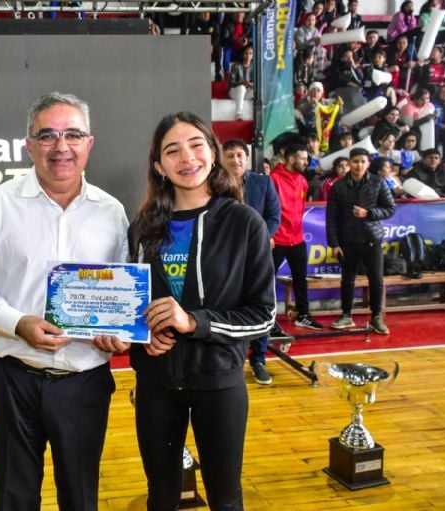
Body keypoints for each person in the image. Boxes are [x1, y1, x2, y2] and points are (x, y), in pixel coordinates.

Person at [0, 92, 129, 511]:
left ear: (89, 143)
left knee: (81, 500)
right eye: (47, 135)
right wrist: (17, 322)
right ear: (29, 145)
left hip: (85, 380)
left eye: (73, 134)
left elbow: (122, 294)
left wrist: (117, 333)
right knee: (14, 499)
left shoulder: (112, 212)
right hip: (14, 377)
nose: (61, 146)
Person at [129, 112, 275, 510]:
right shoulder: (143, 227)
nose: (187, 157)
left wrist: (194, 321)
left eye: (196, 145)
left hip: (219, 382)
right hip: (156, 383)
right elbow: (134, 302)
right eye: (172, 151)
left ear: (212, 152)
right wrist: (142, 336)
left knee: (225, 500)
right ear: (159, 166)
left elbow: (263, 314)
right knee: (161, 498)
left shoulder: (244, 222)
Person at [223, 139, 281, 385]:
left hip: (257, 253)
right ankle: (230, 358)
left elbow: (274, 216)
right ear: (221, 159)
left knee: (259, 303)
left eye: (239, 155)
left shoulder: (263, 182)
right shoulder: (214, 184)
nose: (235, 160)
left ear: (246, 158)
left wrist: (262, 237)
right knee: (229, 304)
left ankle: (258, 359)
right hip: (226, 254)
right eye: (230, 155)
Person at [327, 147, 396, 335]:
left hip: (372, 239)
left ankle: (377, 317)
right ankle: (346, 315)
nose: (359, 165)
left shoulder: (378, 182)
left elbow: (390, 208)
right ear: (349, 163)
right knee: (347, 280)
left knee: (376, 280)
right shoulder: (338, 186)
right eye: (355, 161)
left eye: (363, 161)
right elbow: (331, 217)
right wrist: (334, 244)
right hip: (347, 240)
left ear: (368, 163)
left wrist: (369, 213)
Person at [271, 143, 325, 329]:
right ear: (291, 159)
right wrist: (270, 234)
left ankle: (303, 315)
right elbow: (267, 209)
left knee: (301, 278)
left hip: (297, 238)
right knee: (267, 280)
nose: (306, 162)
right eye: (303, 158)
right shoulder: (273, 179)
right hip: (277, 239)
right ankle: (268, 318)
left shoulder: (302, 180)